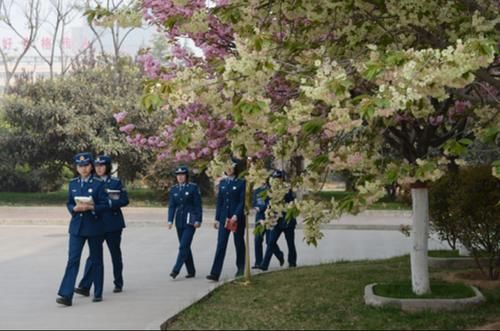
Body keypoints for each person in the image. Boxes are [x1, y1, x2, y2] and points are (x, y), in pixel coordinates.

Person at [56, 152, 108, 306]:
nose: (83, 169)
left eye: (86, 165)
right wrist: (74, 208)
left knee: (96, 260)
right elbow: (69, 203)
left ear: (91, 166)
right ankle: (66, 295)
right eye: (80, 166)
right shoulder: (73, 183)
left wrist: (91, 207)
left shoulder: (98, 183)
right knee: (73, 260)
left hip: (94, 226)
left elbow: (104, 205)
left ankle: (97, 292)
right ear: (76, 167)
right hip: (77, 227)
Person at [75, 155, 129, 296]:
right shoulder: (91, 182)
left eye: (102, 165)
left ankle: (118, 282)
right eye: (96, 165)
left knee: (114, 253)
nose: (99, 168)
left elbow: (124, 200)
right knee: (93, 256)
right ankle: (85, 286)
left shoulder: (115, 182)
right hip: (95, 222)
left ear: (108, 167)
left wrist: (109, 204)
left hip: (112, 223)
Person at [206, 159, 246, 281]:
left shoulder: (241, 183)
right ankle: (215, 272)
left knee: (238, 243)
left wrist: (236, 215)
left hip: (236, 218)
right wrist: (217, 218)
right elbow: (220, 202)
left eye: (231, 167)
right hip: (224, 218)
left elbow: (242, 201)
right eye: (227, 167)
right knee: (221, 244)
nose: (229, 170)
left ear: (235, 168)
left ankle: (240, 268)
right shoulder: (223, 183)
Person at [167, 165, 203, 279]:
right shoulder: (174, 189)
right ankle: (191, 270)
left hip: (191, 220)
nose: (180, 177)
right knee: (185, 246)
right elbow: (172, 206)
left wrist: (198, 219)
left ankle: (175, 270)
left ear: (186, 176)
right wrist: (170, 220)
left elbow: (198, 205)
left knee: (183, 246)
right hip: (180, 221)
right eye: (178, 175)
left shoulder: (193, 188)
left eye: (182, 175)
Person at [258, 169, 297, 271]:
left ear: (282, 179)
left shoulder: (287, 188)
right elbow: (267, 202)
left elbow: (291, 201)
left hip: (288, 221)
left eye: (279, 178)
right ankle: (264, 264)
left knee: (290, 243)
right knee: (271, 242)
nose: (277, 180)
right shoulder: (270, 190)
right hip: (276, 220)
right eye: (275, 178)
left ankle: (292, 262)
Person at [252, 181, 284, 269]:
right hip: (259, 218)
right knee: (257, 239)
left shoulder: (270, 190)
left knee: (269, 241)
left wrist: (261, 208)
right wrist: (255, 207)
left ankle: (279, 255)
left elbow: (271, 203)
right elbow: (254, 201)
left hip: (269, 217)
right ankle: (258, 262)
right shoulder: (256, 190)